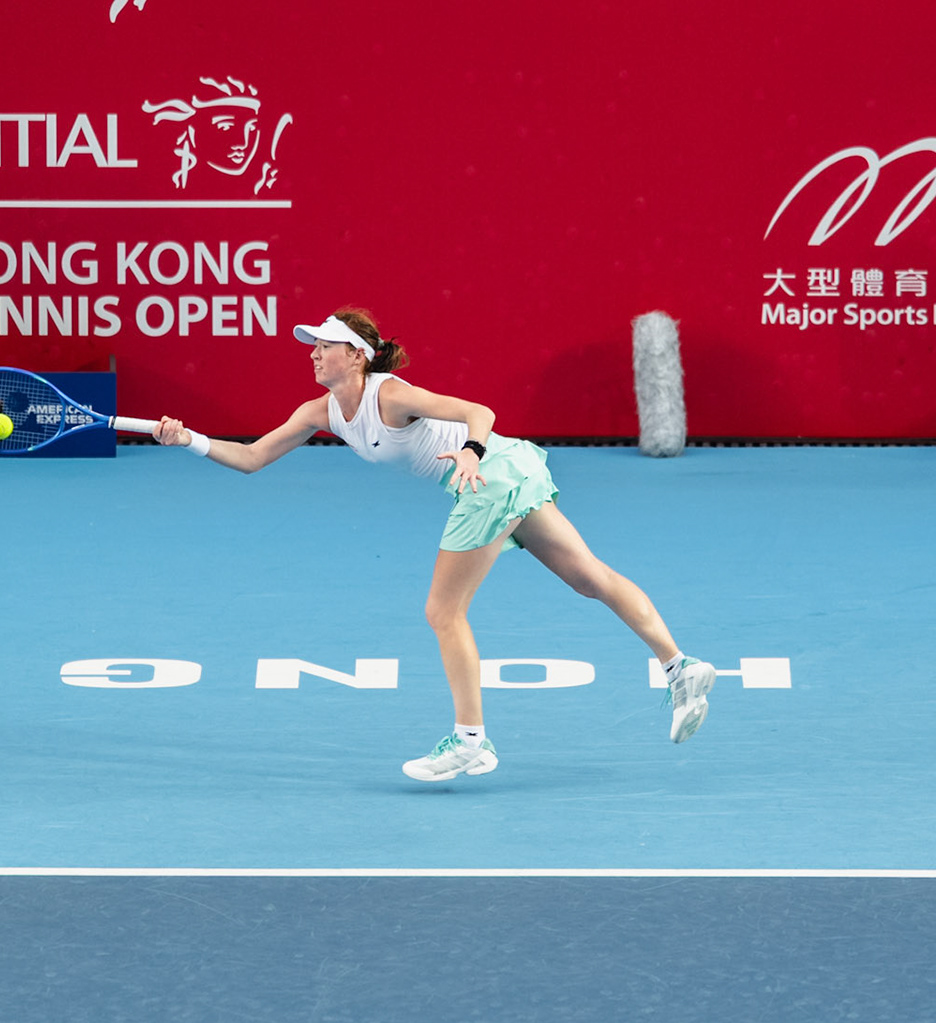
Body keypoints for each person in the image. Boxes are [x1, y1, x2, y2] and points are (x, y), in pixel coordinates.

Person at [154, 308, 716, 781]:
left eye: (324, 345)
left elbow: (480, 413)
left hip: (487, 474)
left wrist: (470, 451)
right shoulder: (317, 413)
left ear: (355, 354)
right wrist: (189, 440)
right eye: (313, 347)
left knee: (443, 611)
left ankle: (471, 741)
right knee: (589, 578)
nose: (313, 354)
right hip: (507, 468)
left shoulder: (391, 394)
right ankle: (680, 666)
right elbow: (252, 458)